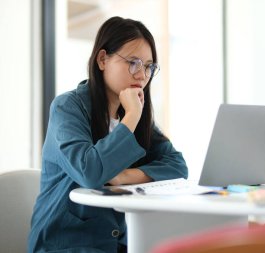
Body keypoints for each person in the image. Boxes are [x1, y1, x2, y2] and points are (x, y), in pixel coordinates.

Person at [28, 17, 188, 253]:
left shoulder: (136, 116)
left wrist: (124, 176)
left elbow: (177, 166)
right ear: (102, 60)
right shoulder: (67, 107)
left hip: (115, 243)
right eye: (133, 63)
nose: (142, 75)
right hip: (65, 243)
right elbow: (90, 172)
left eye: (149, 66)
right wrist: (132, 116)